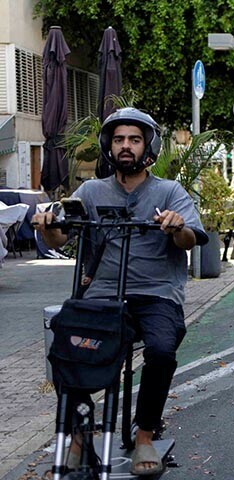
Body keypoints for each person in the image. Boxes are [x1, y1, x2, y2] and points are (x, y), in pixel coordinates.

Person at [33, 107, 208, 475]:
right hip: (101, 296)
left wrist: (176, 227)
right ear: (108, 146)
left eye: (133, 139)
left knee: (162, 349)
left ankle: (145, 435)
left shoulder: (169, 191)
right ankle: (79, 438)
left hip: (156, 294)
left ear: (148, 146)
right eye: (118, 140)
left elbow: (190, 239)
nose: (125, 147)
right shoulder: (92, 191)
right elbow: (61, 236)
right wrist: (47, 225)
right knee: (68, 341)